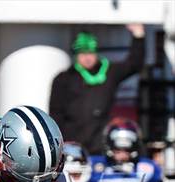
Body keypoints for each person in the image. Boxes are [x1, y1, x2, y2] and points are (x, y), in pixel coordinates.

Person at [49, 25, 145, 154]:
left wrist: (138, 35)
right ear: (76, 54)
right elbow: (55, 113)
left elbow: (134, 64)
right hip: (72, 146)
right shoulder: (64, 78)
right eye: (83, 53)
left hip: (101, 145)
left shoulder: (108, 72)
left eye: (91, 52)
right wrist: (59, 143)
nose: (87, 57)